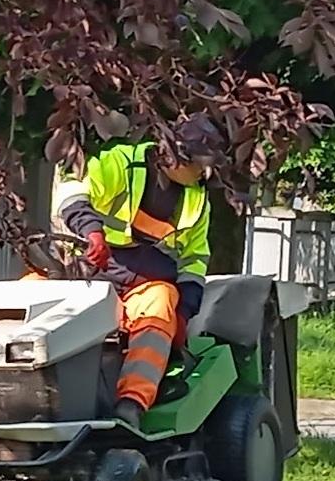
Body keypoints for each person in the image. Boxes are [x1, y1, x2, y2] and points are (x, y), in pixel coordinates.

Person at [51, 115, 222, 429]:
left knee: (160, 302)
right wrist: (93, 233)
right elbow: (72, 192)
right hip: (81, 276)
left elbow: (195, 261)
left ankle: (131, 404)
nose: (203, 172)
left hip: (137, 290)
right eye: (199, 163)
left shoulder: (197, 202)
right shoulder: (120, 163)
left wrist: (182, 313)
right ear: (173, 154)